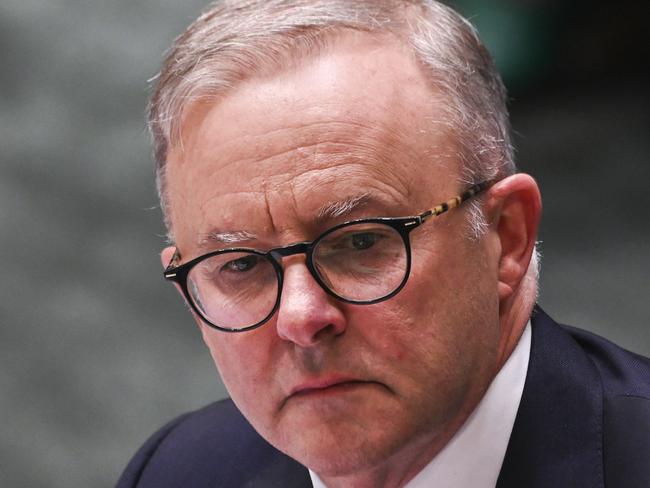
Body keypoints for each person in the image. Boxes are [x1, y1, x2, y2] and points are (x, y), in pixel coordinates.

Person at [117, 1, 650, 487]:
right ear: (193, 299)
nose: (301, 318)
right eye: (239, 266)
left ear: (506, 237)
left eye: (360, 242)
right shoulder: (177, 472)